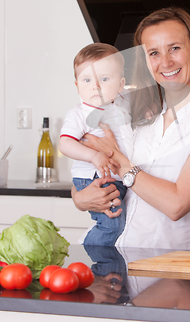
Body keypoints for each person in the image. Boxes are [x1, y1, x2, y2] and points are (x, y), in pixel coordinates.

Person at [71, 7, 190, 250]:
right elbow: (86, 163)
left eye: (175, 48)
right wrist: (80, 199)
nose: (166, 62)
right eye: (154, 53)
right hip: (103, 253)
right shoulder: (132, 108)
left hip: (162, 268)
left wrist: (121, 162)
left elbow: (176, 204)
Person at [59, 43, 132, 246]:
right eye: (87, 79)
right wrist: (93, 156)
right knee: (113, 226)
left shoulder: (122, 102)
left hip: (116, 177)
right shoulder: (81, 113)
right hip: (94, 178)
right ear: (77, 85)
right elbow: (65, 143)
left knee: (120, 226)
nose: (96, 86)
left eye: (104, 79)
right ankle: (93, 257)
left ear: (120, 85)